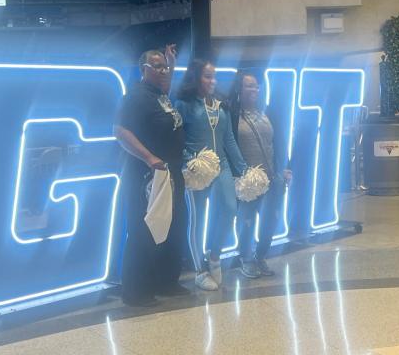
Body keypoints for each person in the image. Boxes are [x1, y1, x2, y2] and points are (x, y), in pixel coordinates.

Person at [114, 45, 189, 307]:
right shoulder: (136, 96)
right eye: (156, 66)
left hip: (171, 173)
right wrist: (149, 157)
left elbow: (166, 85)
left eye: (164, 67)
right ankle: (136, 291)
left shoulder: (160, 94)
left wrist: (172, 64)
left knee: (175, 226)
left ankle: (166, 282)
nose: (162, 71)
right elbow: (121, 131)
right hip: (147, 176)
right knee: (143, 230)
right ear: (143, 70)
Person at [175, 60, 247, 290]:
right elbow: (177, 138)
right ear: (196, 78)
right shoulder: (184, 104)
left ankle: (214, 255)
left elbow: (229, 140)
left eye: (214, 76)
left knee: (230, 208)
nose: (212, 81)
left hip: (221, 164)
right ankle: (199, 270)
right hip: (197, 169)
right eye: (207, 76)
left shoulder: (221, 105)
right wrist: (189, 161)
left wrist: (243, 168)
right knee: (198, 220)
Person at [227, 71, 291, 278]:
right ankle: (246, 259)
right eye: (249, 86)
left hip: (273, 177)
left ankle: (260, 255)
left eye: (256, 86)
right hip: (248, 180)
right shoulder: (232, 114)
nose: (254, 89)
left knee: (271, 219)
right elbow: (229, 145)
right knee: (246, 220)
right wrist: (240, 172)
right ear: (239, 89)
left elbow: (278, 142)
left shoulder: (267, 112)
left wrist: (284, 167)